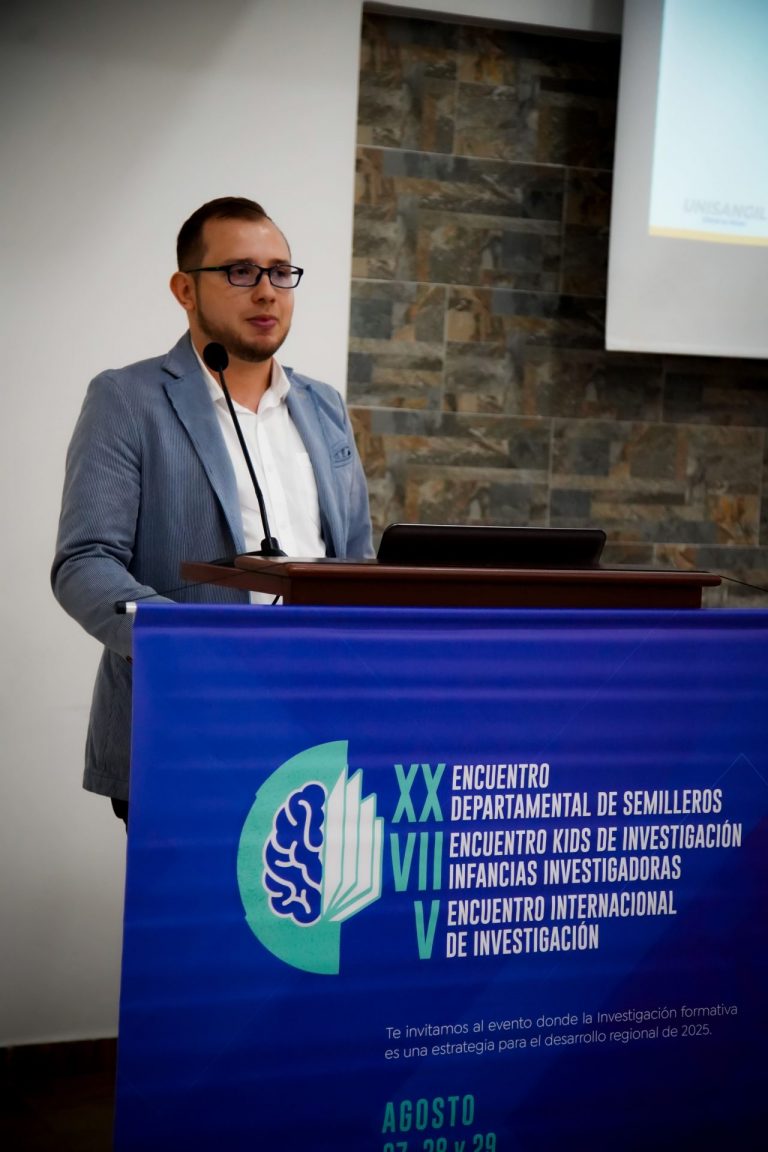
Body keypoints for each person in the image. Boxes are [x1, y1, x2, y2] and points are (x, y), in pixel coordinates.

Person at [52, 196, 373, 824]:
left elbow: (355, 563)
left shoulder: (324, 406)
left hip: (314, 726)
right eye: (240, 271)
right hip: (184, 727)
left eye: (280, 272)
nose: (267, 291)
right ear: (185, 290)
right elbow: (85, 562)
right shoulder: (128, 398)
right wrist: (190, 648)